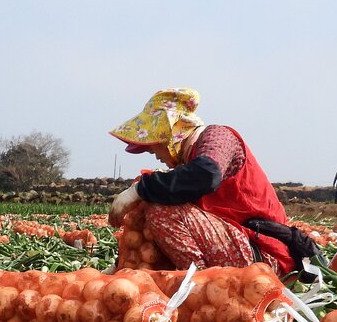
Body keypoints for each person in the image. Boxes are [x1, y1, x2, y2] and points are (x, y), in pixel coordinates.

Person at [108, 88, 294, 273]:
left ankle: (196, 285)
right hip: (240, 247)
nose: (154, 155)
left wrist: (139, 190)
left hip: (264, 255)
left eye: (153, 147)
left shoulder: (218, 137)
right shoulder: (190, 158)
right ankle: (124, 269)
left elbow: (207, 174)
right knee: (154, 197)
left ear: (168, 133)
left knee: (160, 208)